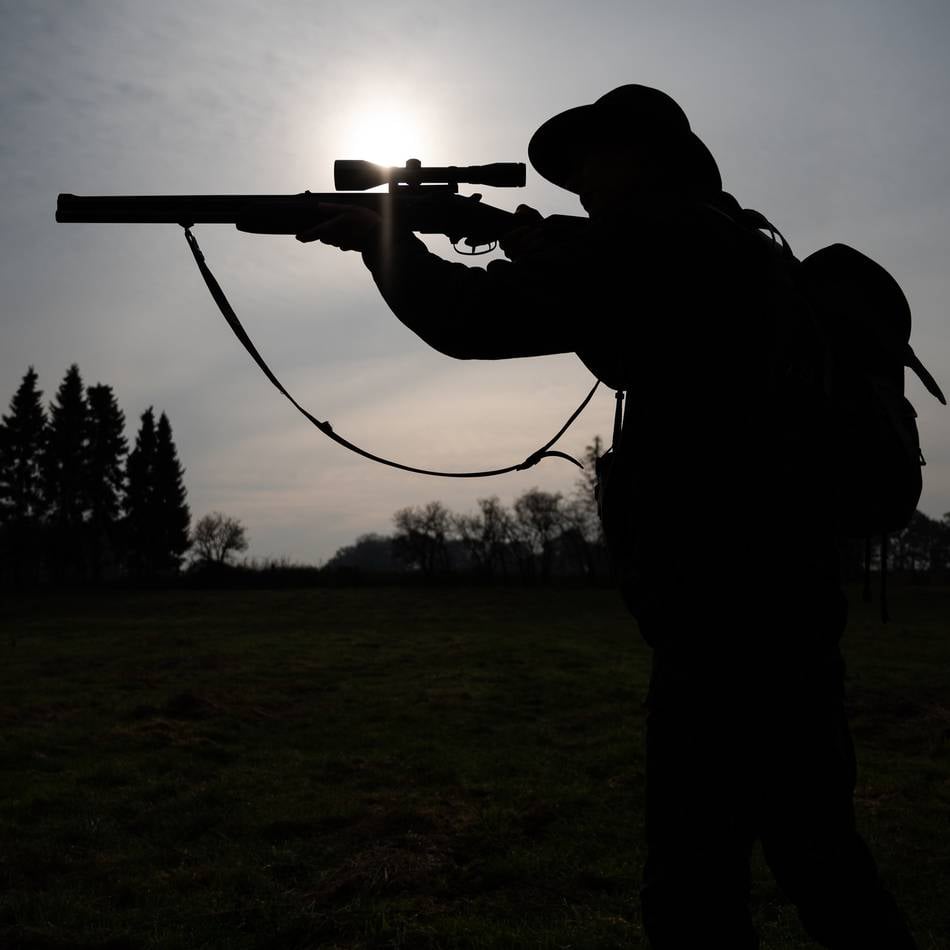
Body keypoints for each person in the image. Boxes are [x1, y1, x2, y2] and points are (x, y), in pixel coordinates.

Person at [296, 85, 917, 949]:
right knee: (821, 862)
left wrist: (383, 243)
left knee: (697, 892)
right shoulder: (733, 245)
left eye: (596, 156)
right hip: (783, 603)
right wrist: (494, 238)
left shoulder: (666, 245)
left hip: (722, 616)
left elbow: (473, 319)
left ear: (650, 159)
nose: (580, 179)